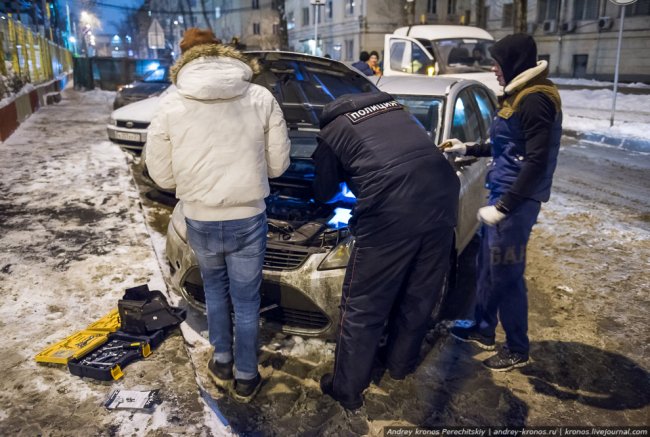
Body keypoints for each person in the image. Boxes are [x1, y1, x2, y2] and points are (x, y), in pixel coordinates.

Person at [146, 28, 291, 401]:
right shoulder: (260, 96)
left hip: (200, 217)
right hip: (248, 217)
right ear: (227, 53)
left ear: (186, 59)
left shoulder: (171, 102)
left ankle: (222, 361)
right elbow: (278, 166)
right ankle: (246, 376)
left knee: (214, 291)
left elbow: (159, 173)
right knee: (247, 300)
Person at [313, 91, 460, 410]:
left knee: (363, 304)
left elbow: (324, 192)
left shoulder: (332, 131)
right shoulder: (397, 111)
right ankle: (400, 364)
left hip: (393, 213)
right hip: (444, 196)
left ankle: (346, 388)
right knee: (419, 292)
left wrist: (340, 177)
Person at [442, 33, 562, 371]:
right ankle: (483, 328)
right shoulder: (519, 94)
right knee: (487, 265)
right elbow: (507, 147)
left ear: (512, 64)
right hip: (503, 194)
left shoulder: (536, 100)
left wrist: (504, 207)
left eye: (497, 63)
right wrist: (468, 148)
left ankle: (517, 347)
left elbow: (535, 162)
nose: (494, 70)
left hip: (517, 202)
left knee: (507, 272)